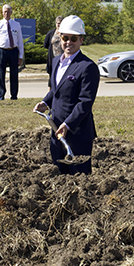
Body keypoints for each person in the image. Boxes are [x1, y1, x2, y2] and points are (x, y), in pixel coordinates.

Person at [33, 15, 99, 174]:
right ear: (60, 38)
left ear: (81, 40)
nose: (68, 42)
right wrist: (45, 103)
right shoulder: (56, 61)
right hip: (56, 128)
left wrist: (68, 125)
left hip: (77, 132)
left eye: (73, 38)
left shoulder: (88, 67)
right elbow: (55, 90)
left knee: (79, 177)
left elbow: (85, 102)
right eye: (65, 37)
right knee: (59, 174)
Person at [0, 4, 24, 100]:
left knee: (14, 74)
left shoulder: (16, 25)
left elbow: (20, 41)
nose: (6, 13)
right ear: (2, 12)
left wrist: (21, 56)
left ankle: (14, 95)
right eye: (5, 11)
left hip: (13, 51)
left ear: (11, 12)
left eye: (8, 11)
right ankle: (1, 95)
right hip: (1, 51)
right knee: (1, 75)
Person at [43, 16, 63, 86]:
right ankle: (50, 94)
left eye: (61, 23)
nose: (59, 25)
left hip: (63, 59)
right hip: (53, 59)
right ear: (55, 23)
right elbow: (45, 45)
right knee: (52, 78)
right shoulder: (51, 33)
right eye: (58, 23)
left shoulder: (65, 34)